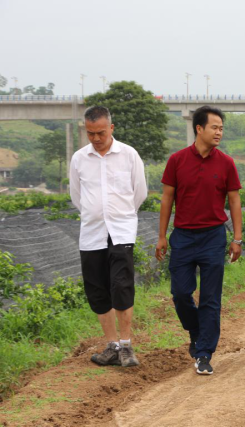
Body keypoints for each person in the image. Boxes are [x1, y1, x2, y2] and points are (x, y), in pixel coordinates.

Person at [155, 106, 242, 376]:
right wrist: (161, 236)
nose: (219, 132)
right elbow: (167, 198)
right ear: (199, 129)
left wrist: (237, 238)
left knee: (210, 298)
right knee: (180, 293)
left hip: (214, 236)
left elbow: (234, 200)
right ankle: (195, 330)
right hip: (182, 236)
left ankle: (204, 353)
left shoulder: (226, 162)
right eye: (214, 127)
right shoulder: (177, 160)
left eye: (221, 128)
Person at [69, 105, 147, 368]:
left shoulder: (129, 155)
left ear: (111, 128)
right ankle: (111, 345)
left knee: (121, 286)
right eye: (90, 133)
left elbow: (140, 193)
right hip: (91, 233)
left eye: (100, 132)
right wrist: (96, 215)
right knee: (97, 290)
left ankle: (126, 346)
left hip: (121, 231)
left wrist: (121, 215)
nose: (95, 138)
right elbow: (77, 196)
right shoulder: (79, 159)